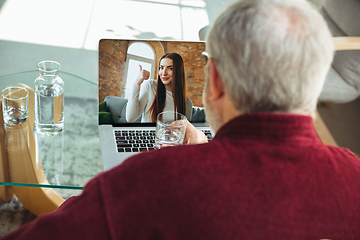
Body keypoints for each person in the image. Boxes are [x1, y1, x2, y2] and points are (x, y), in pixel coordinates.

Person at [4, 0, 360, 239]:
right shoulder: (353, 177)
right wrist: (206, 148)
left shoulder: (144, 182)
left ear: (215, 79)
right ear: (315, 85)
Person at [126, 52, 193, 123]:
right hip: (148, 134)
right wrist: (137, 83)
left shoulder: (187, 102)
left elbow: (184, 130)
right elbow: (130, 118)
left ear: (178, 71)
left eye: (170, 68)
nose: (164, 73)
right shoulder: (150, 86)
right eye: (161, 68)